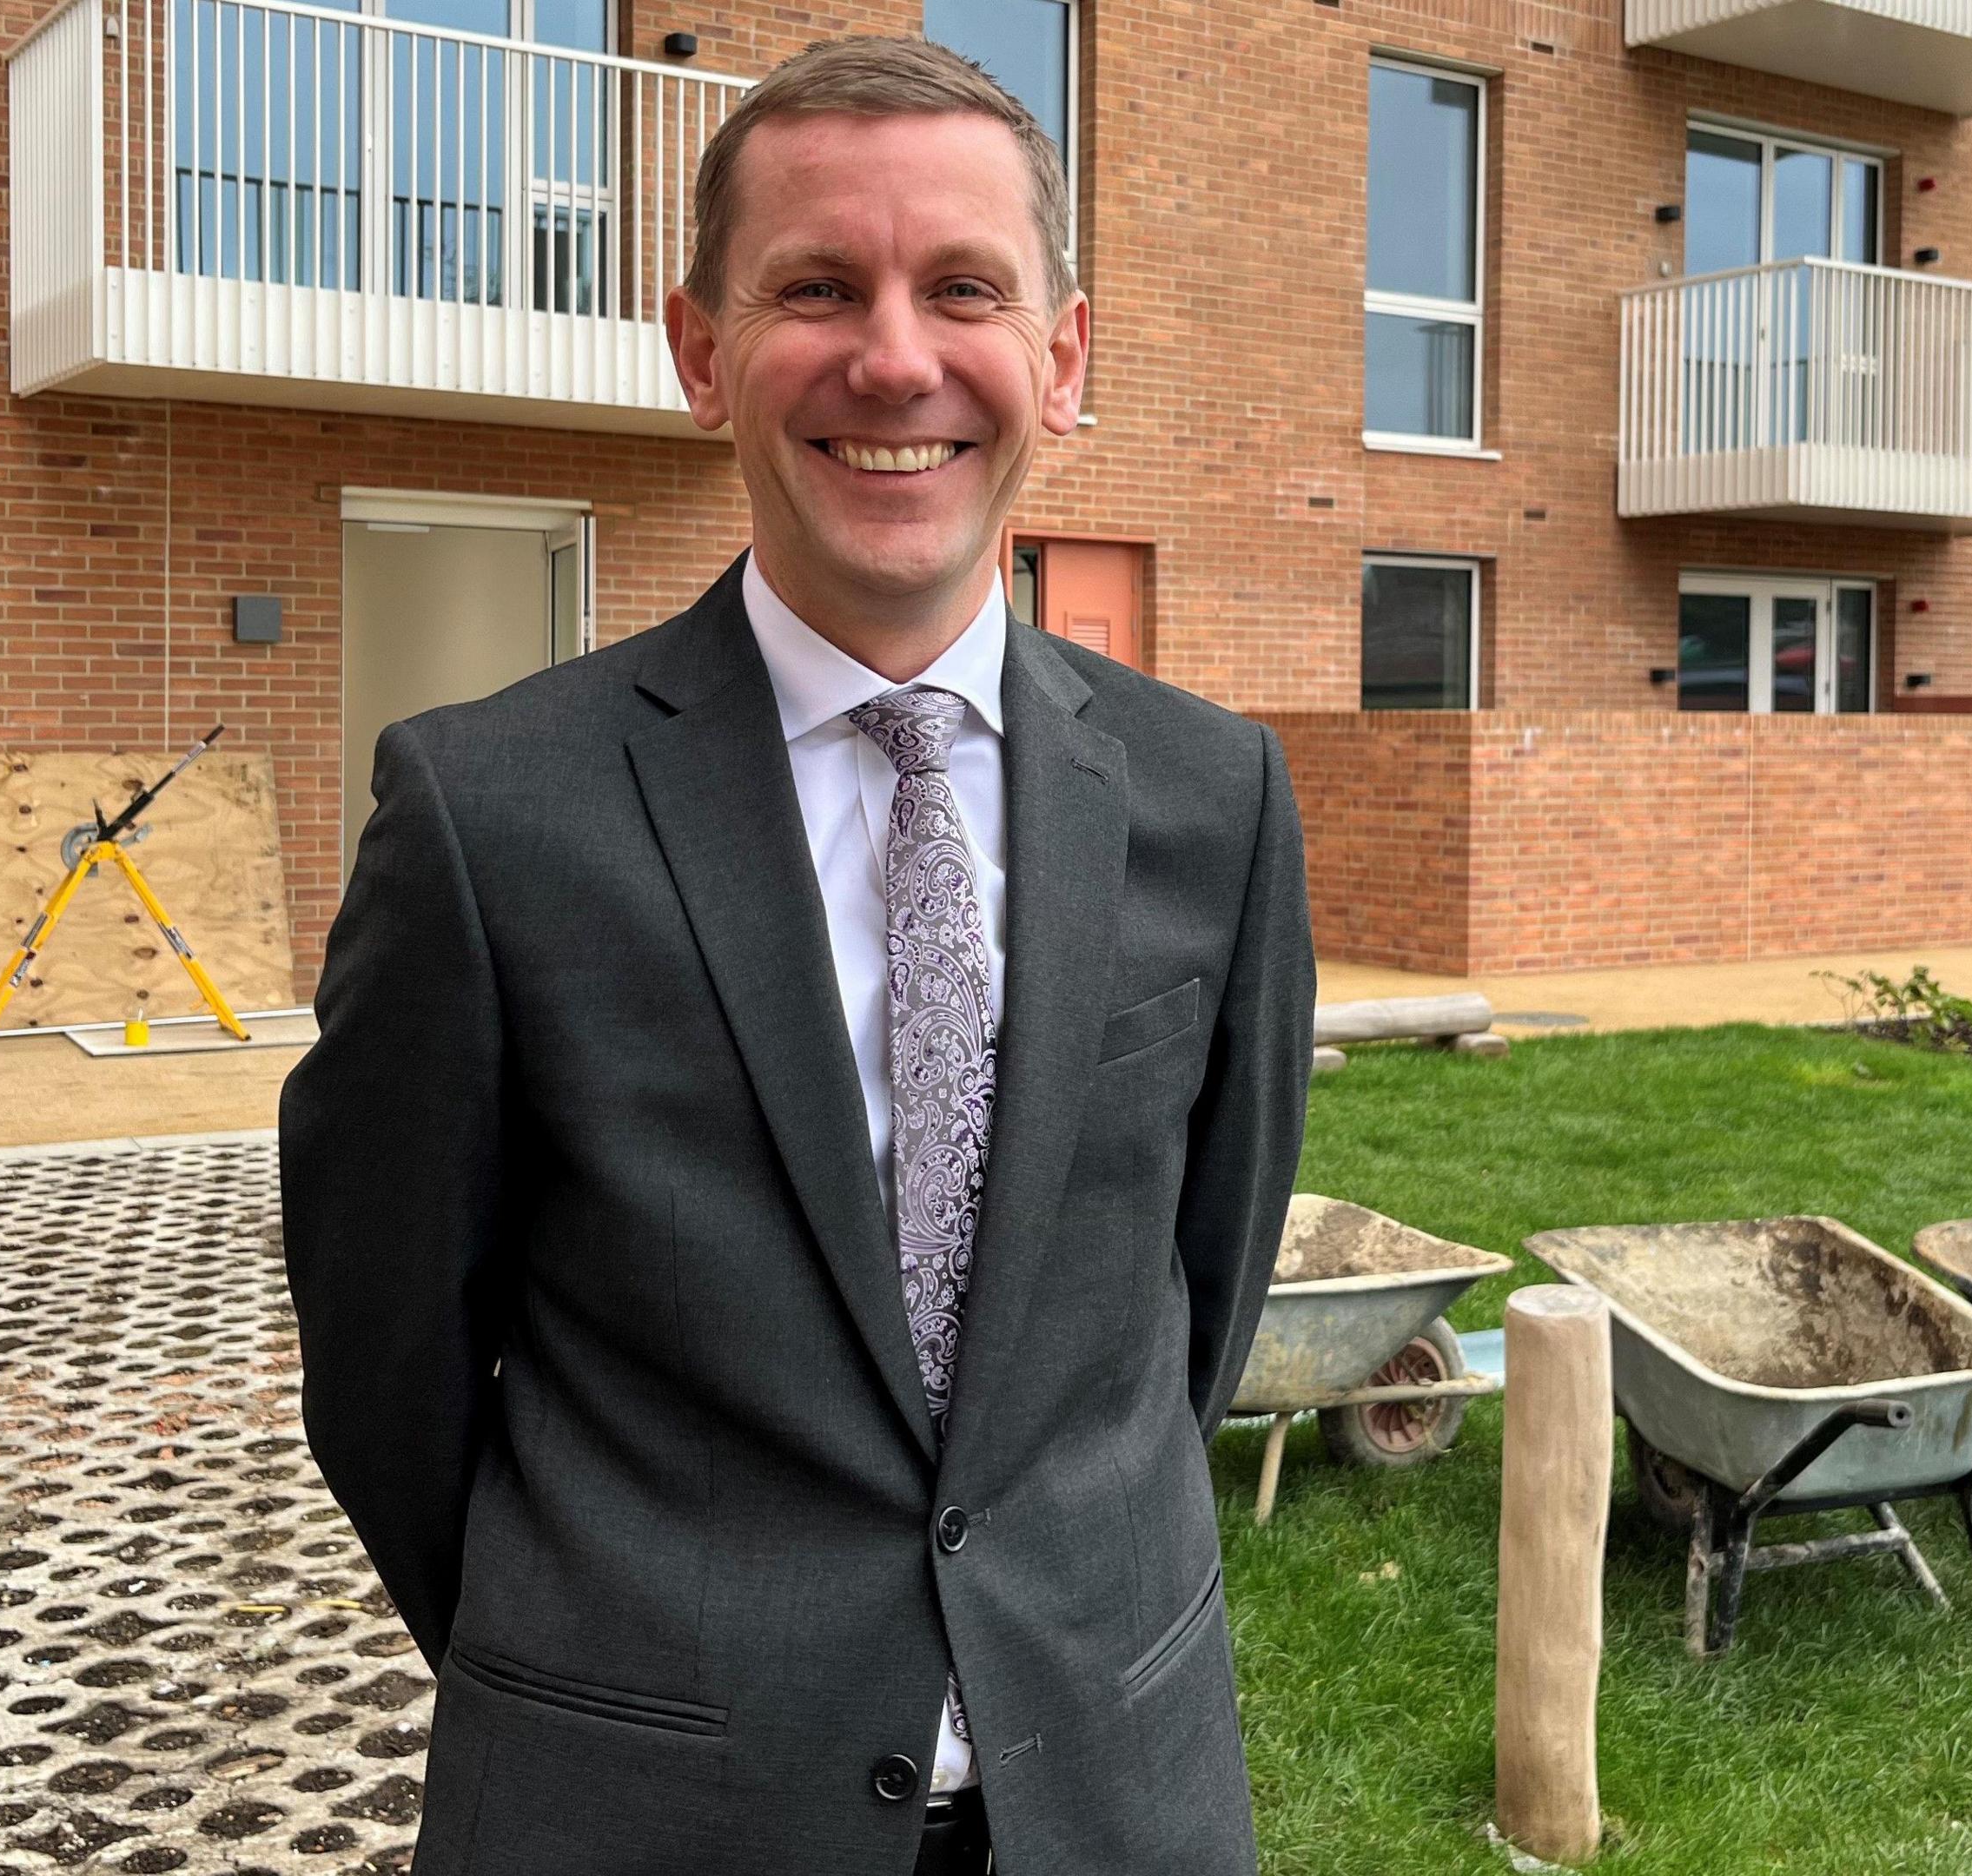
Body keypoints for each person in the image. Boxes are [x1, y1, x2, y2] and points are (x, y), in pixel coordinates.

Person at [278, 36, 1316, 1876]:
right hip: (646, 1812)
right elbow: (387, 1377)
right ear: (699, 351)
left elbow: (1194, 1308)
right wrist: (601, 1678)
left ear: (1063, 359)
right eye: (817, 288)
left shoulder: (1212, 797)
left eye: (966, 290)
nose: (897, 359)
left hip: (1113, 1796)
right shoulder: (487, 817)